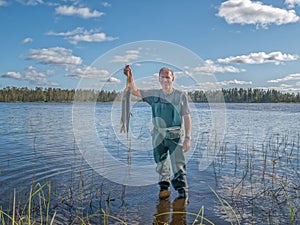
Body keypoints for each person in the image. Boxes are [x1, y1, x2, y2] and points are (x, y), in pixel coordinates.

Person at [123, 65, 191, 201]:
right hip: (157, 136)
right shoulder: (153, 94)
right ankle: (164, 191)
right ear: (159, 79)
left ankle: (182, 196)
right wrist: (130, 76)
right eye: (163, 77)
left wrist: (187, 138)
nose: (165, 79)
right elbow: (134, 90)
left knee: (179, 166)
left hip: (175, 136)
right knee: (161, 164)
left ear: (173, 78)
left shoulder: (181, 95)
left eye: (168, 76)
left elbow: (187, 117)